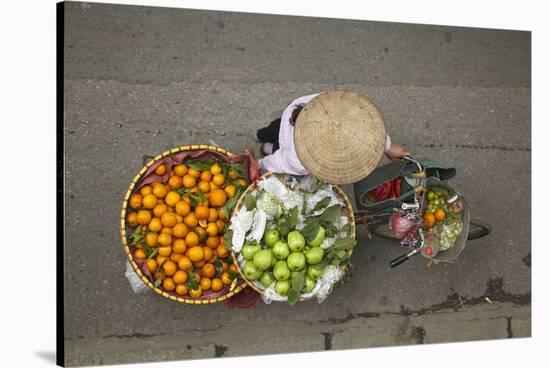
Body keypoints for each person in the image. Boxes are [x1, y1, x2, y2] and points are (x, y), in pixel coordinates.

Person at [256, 90, 410, 184]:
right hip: (288, 135)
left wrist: (388, 147)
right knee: (277, 146)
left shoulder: (338, 103)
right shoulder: (300, 159)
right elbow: (278, 162)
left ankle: (262, 136)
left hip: (294, 112)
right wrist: (260, 166)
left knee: (272, 129)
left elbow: (368, 133)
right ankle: (267, 144)